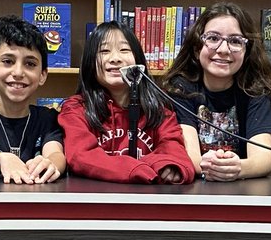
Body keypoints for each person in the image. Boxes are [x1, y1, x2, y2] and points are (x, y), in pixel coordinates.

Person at [161, 2, 271, 181]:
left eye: (235, 41)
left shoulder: (259, 92)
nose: (223, 50)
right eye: (213, 38)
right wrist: (213, 168)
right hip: (192, 193)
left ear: (247, 51)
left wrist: (235, 168)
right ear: (198, 48)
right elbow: (191, 157)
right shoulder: (181, 88)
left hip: (244, 193)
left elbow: (263, 160)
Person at [58, 21, 195, 184]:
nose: (115, 58)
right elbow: (80, 156)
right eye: (104, 51)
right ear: (90, 63)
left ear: (138, 60)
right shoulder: (76, 108)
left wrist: (168, 166)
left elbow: (173, 147)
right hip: (95, 202)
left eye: (124, 50)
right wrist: (135, 169)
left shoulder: (159, 106)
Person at [0, 15, 65, 183]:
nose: (18, 73)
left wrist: (49, 164)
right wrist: (0, 159)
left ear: (42, 75)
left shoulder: (48, 117)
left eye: (30, 64)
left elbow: (56, 154)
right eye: (8, 61)